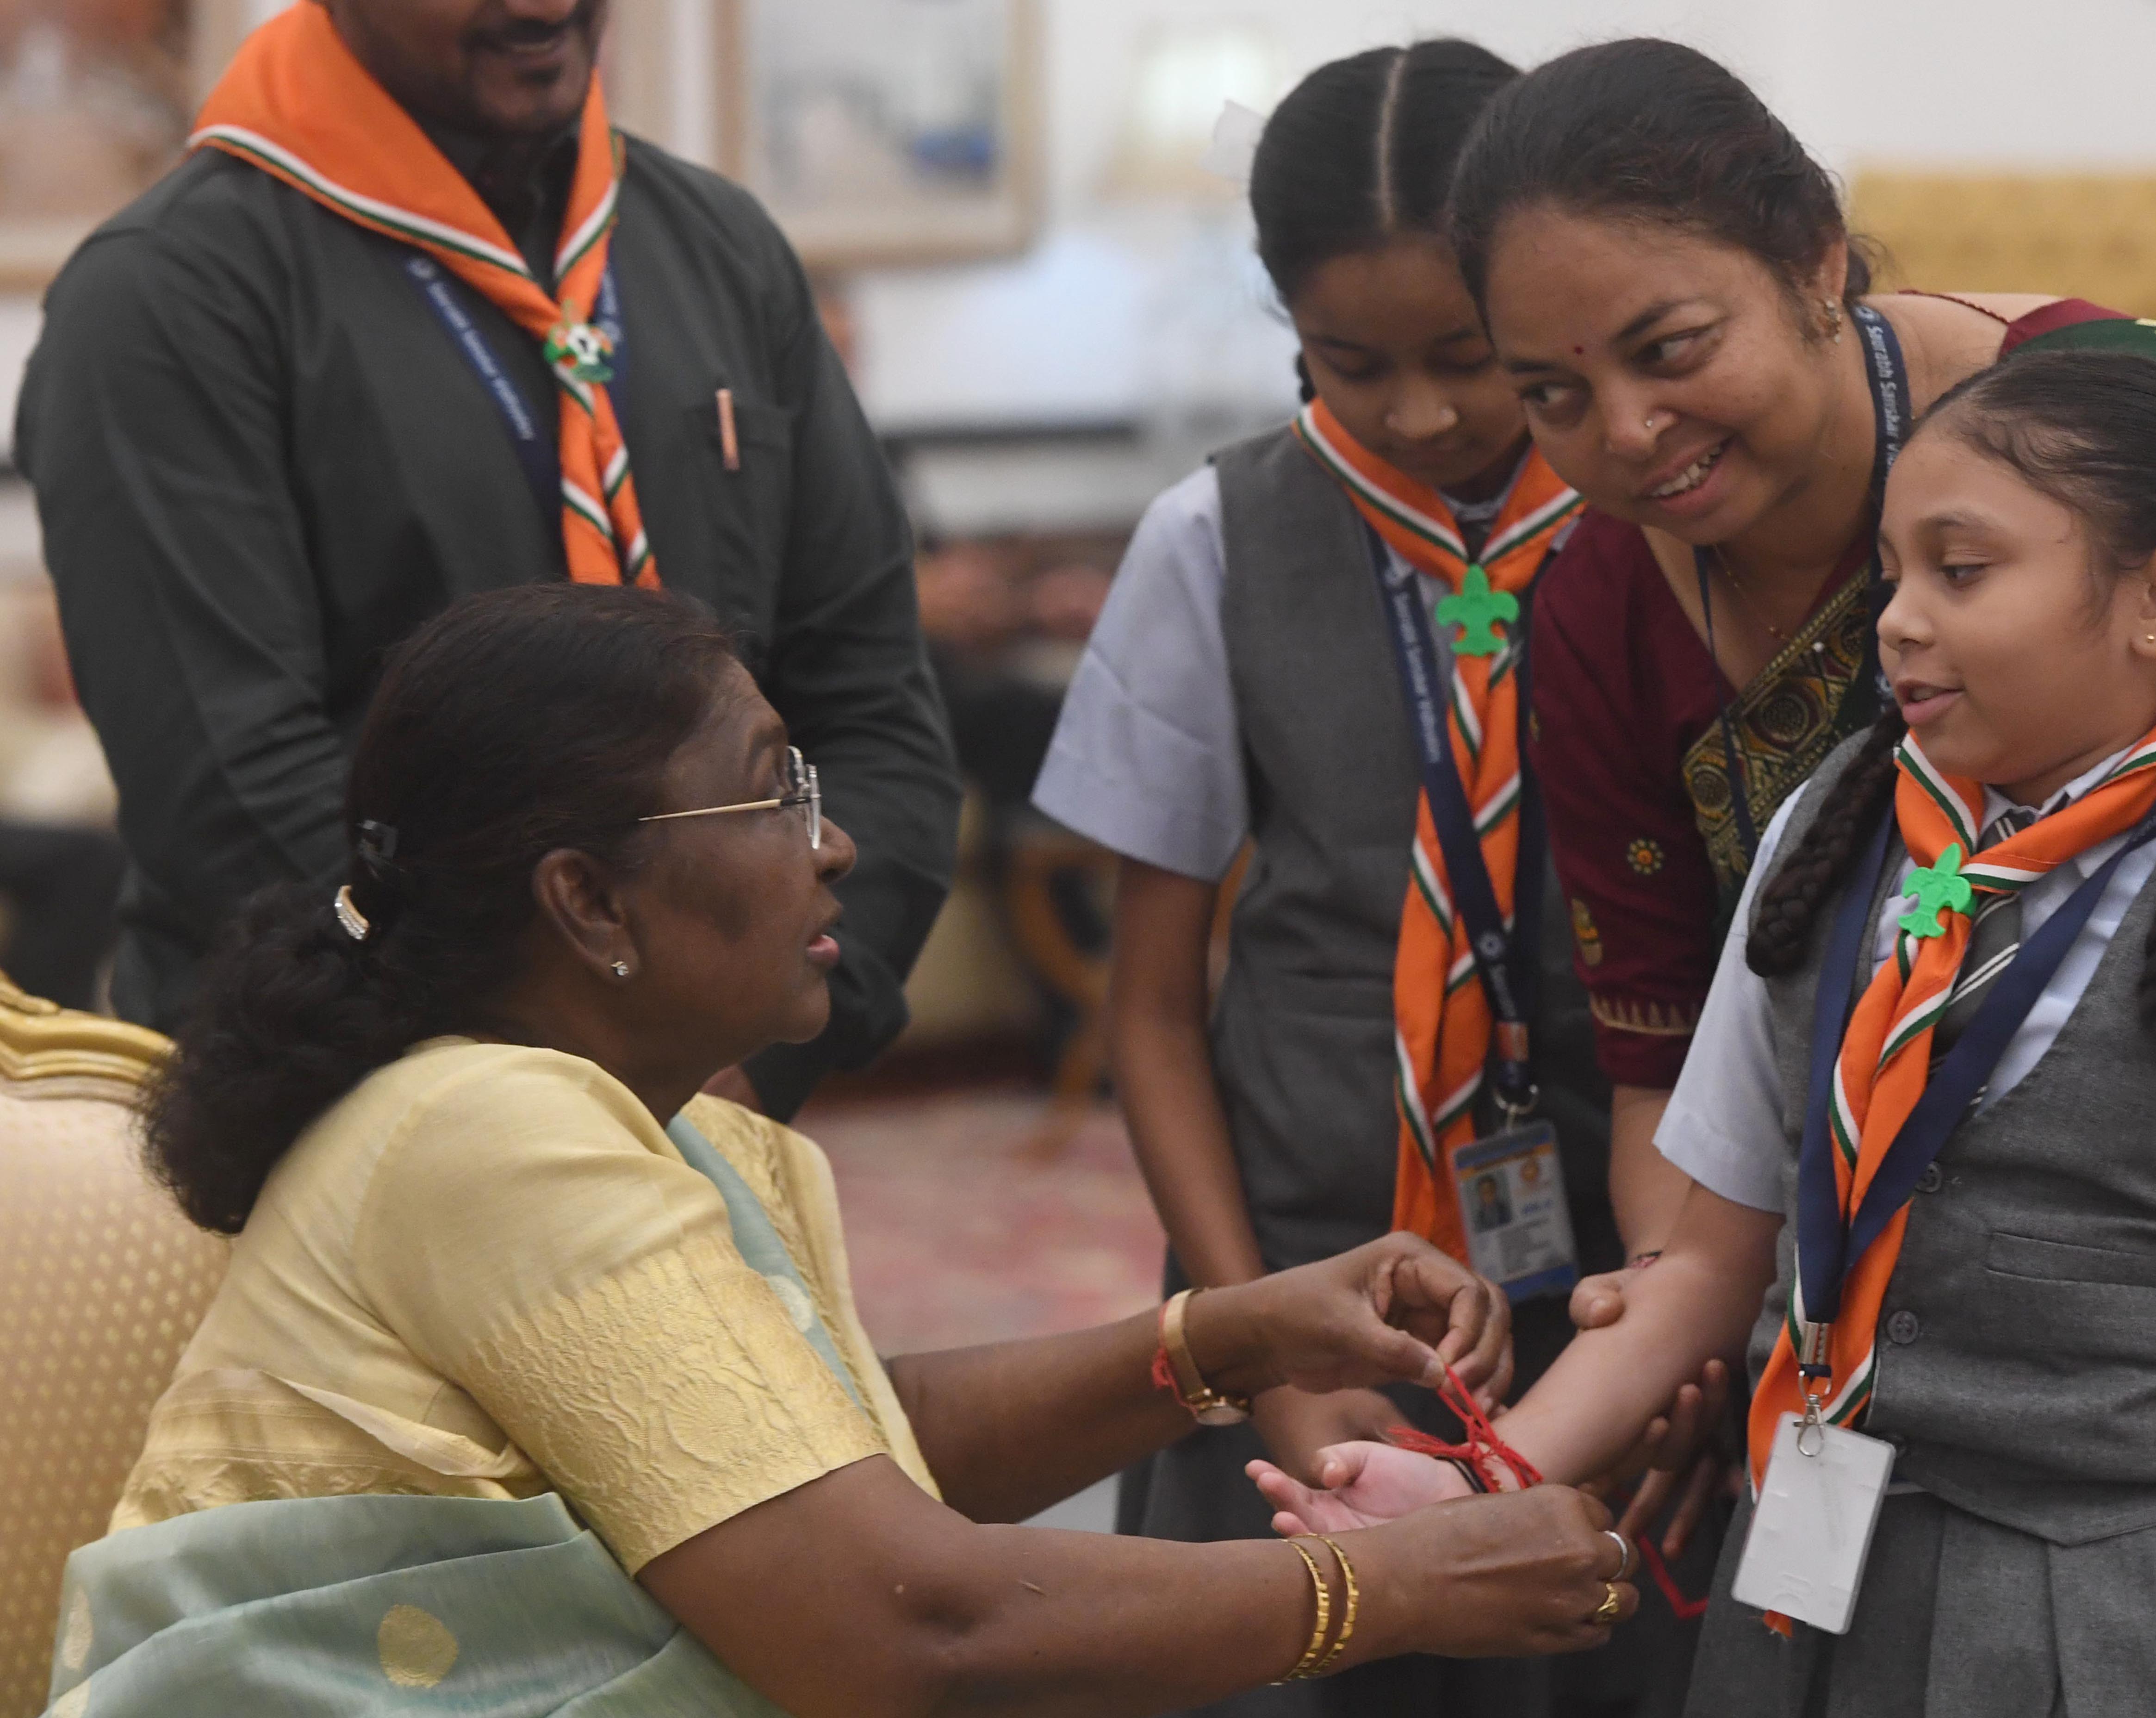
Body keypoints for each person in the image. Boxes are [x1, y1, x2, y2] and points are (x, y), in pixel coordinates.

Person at [1441, 41, 2156, 1698]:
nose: (1623, 432)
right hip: (1858, 1392)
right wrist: (1706, 1323)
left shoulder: (2118, 456)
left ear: (1814, 261)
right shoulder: (1610, 614)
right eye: (1549, 394)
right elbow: (1670, 1062)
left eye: (1670, 350)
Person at [55, 584, 1640, 1718]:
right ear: (587, 901)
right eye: (769, 795)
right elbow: (907, 1628)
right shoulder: (489, 1131)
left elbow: (821, 1456)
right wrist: (1396, 1593)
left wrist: (1225, 1338)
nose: (832, 843)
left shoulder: (661, 1119)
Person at [1030, 41, 1710, 1718]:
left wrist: (1681, 1314)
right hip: (1302, 1265)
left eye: (1467, 358)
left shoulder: (1665, 525)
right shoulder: (1215, 539)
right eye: (1350, 362)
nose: (1417, 413)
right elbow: (1152, 1010)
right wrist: (1247, 1344)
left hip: (1617, 1268)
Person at [12, 0, 955, 1118]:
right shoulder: (167, 295)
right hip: (341, 1124)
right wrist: (572, 1080)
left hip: (716, 1109)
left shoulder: (725, 250)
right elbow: (233, 800)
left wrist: (743, 1067)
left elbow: (879, 717)